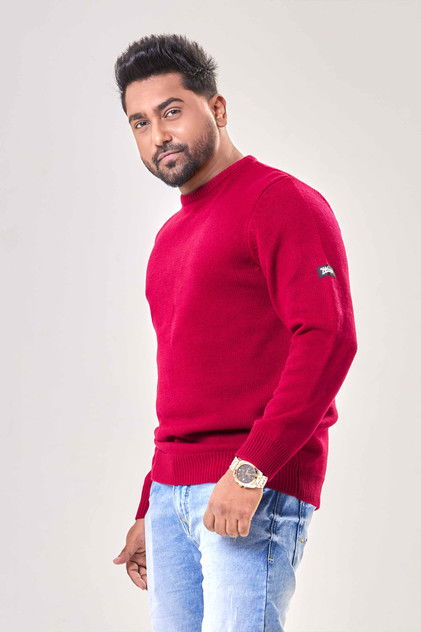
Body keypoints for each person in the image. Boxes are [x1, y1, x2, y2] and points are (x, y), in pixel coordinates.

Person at [112, 33, 358, 632]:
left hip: (250, 486)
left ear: (217, 109)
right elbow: (185, 384)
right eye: (140, 122)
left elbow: (328, 338)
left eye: (172, 111)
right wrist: (151, 501)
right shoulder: (169, 240)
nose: (158, 135)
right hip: (172, 497)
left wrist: (251, 469)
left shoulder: (282, 202)